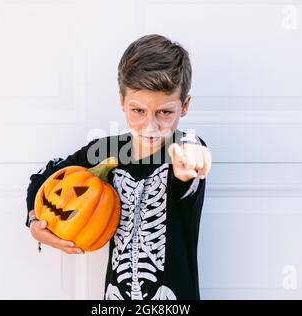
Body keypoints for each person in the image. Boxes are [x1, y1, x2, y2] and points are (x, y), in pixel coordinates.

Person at [25, 34, 212, 300]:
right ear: (121, 102)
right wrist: (35, 221)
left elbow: (193, 161)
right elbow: (45, 178)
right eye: (138, 111)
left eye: (165, 112)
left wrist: (190, 163)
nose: (150, 126)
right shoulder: (107, 152)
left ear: (184, 106)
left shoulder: (183, 149)